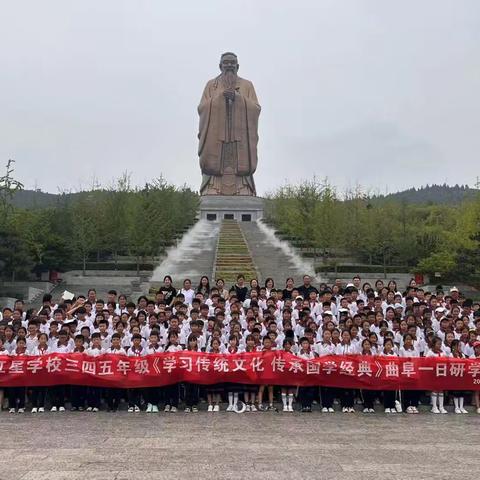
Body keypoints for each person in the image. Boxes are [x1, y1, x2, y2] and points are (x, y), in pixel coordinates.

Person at [426, 336, 450, 414]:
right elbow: (426, 362)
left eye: (440, 344)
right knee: (435, 389)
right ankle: (434, 406)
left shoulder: (442, 352)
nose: (439, 345)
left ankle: (441, 406)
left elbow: (447, 361)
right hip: (433, 373)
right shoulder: (430, 352)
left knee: (441, 390)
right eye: (438, 344)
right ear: (433, 344)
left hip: (441, 373)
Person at [297, 337, 316, 412]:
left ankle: (309, 405)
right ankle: (303, 405)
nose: (305, 345)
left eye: (306, 343)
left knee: (310, 391)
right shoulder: (298, 353)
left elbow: (313, 362)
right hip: (302, 375)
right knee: (302, 391)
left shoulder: (311, 353)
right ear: (301, 345)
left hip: (310, 374)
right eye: (304, 343)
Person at [450, 339, 468, 414]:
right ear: (454, 346)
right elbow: (450, 364)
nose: (460, 347)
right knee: (456, 392)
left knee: (462, 392)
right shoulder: (451, 354)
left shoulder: (462, 355)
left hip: (461, 375)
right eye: (458, 346)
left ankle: (461, 407)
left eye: (460, 346)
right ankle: (456, 407)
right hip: (454, 375)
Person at [184, 334, 200, 413]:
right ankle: (188, 405)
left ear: (196, 342)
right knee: (188, 389)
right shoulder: (185, 351)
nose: (192, 342)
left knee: (195, 389)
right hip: (187, 373)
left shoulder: (199, 351)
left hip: (196, 373)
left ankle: (194, 404)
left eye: (194, 341)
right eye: (191, 341)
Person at [280, 339, 296, 412]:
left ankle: (290, 405)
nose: (287, 345)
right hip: (283, 374)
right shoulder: (281, 354)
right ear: (283, 345)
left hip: (291, 374)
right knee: (283, 390)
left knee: (290, 390)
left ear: (291, 345)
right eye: (286, 344)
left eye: (288, 344)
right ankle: (284, 405)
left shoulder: (294, 354)